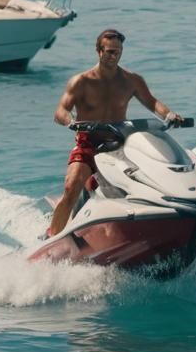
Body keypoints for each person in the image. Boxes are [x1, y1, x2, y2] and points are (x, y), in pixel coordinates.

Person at [47, 29, 184, 238]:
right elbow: (60, 111)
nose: (114, 56)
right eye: (110, 52)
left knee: (148, 182)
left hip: (119, 145)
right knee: (71, 186)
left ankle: (149, 228)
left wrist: (170, 115)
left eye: (118, 52)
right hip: (89, 144)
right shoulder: (81, 81)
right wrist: (72, 122)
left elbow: (152, 103)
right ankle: (52, 238)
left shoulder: (131, 80)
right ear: (99, 51)